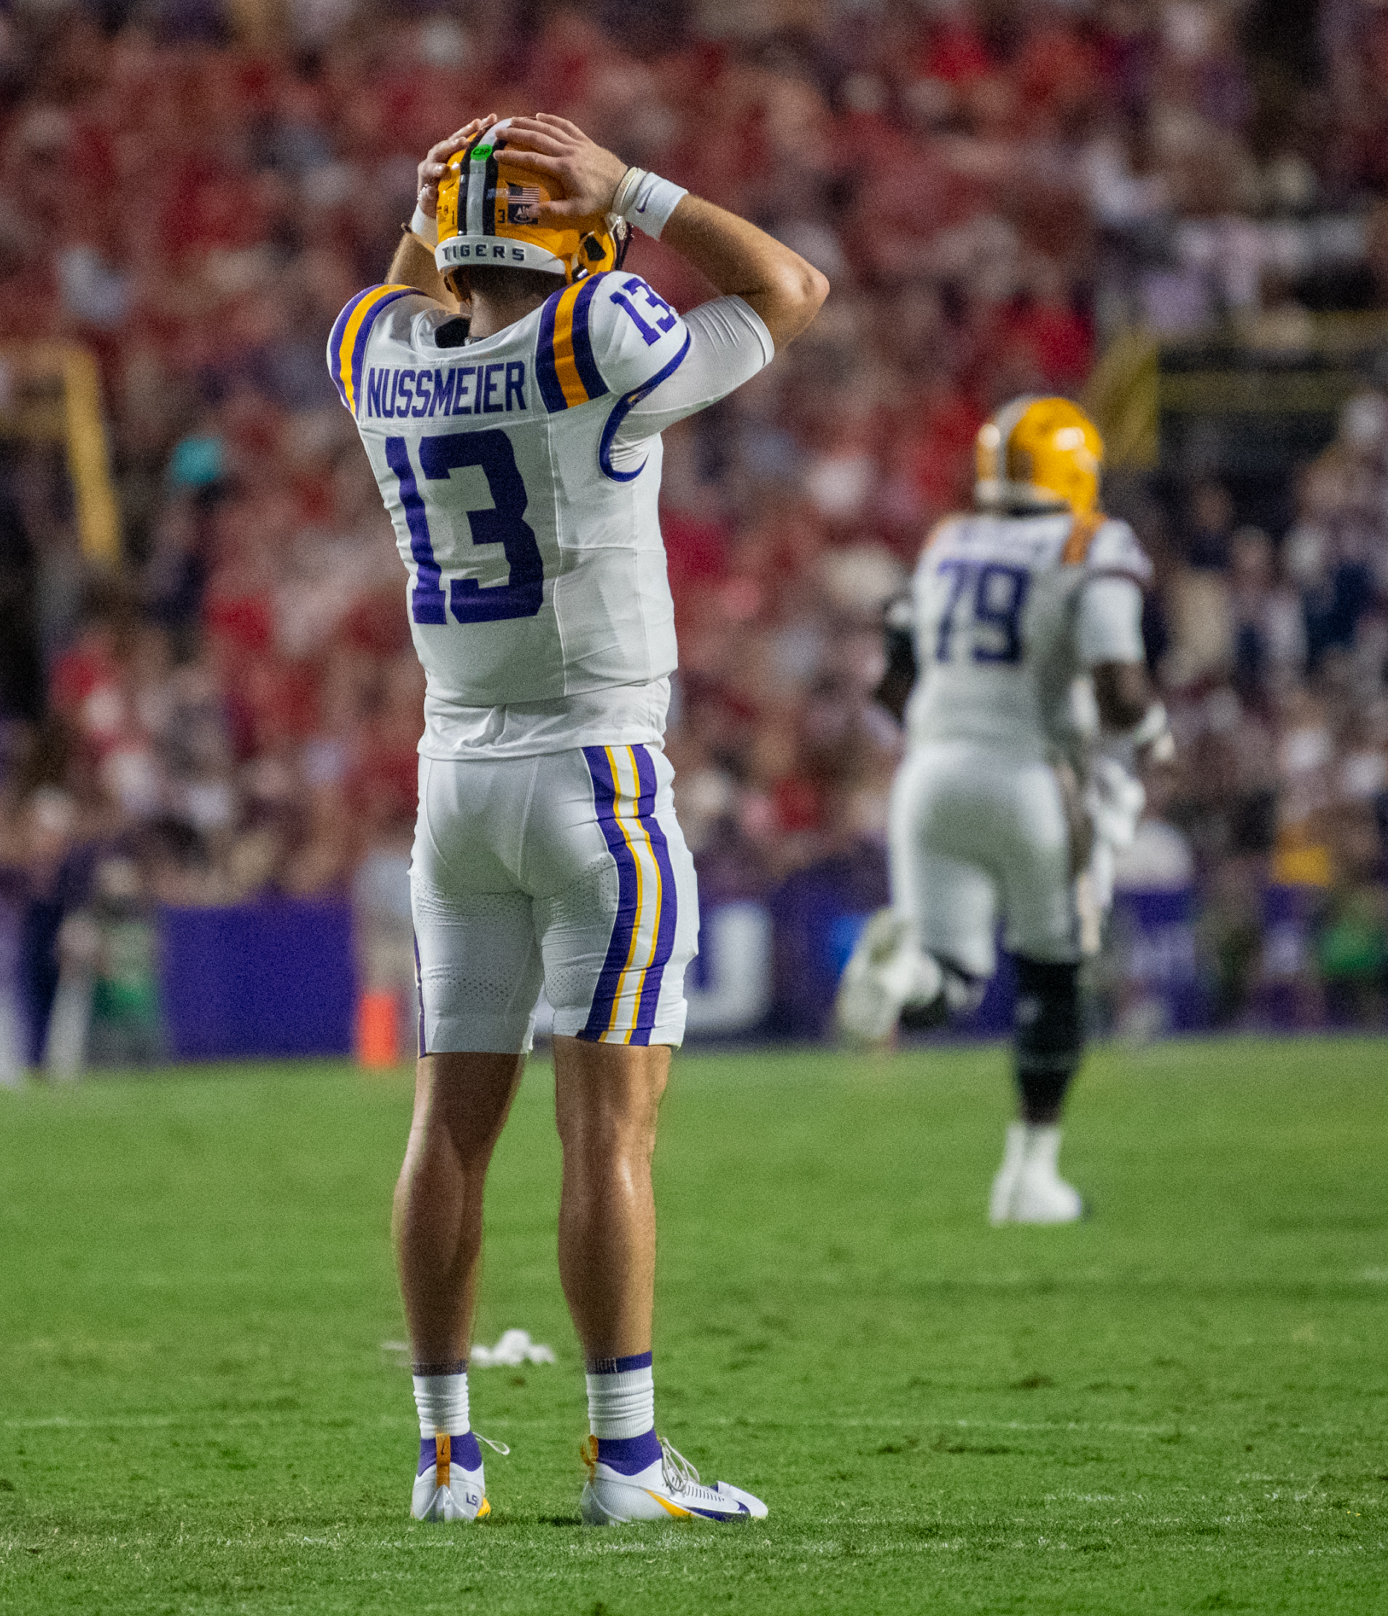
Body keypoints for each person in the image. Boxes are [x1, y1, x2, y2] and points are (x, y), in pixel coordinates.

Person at [331, 112, 827, 1523]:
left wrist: (451, 192)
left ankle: (443, 1461)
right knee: (605, 1135)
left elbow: (414, 286)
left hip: (454, 787)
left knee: (448, 1127)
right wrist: (640, 186)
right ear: (574, 236)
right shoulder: (599, 332)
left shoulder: (374, 352)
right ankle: (622, 1462)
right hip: (595, 777)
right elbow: (792, 290)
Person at [833, 398, 1170, 1225]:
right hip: (1031, 778)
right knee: (1054, 974)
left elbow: (889, 686)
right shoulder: (1091, 543)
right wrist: (1154, 735)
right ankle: (1028, 1179)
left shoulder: (947, 542)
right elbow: (1119, 684)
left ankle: (897, 971)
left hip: (929, 776)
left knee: (949, 978)